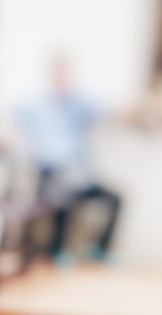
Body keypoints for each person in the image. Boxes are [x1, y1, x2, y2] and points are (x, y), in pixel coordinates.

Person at [15, 56, 121, 263]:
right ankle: (57, 251)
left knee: (115, 198)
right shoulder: (35, 105)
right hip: (49, 172)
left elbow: (107, 109)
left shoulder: (79, 104)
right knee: (62, 194)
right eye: (58, 74)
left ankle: (100, 249)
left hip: (79, 174)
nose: (62, 79)